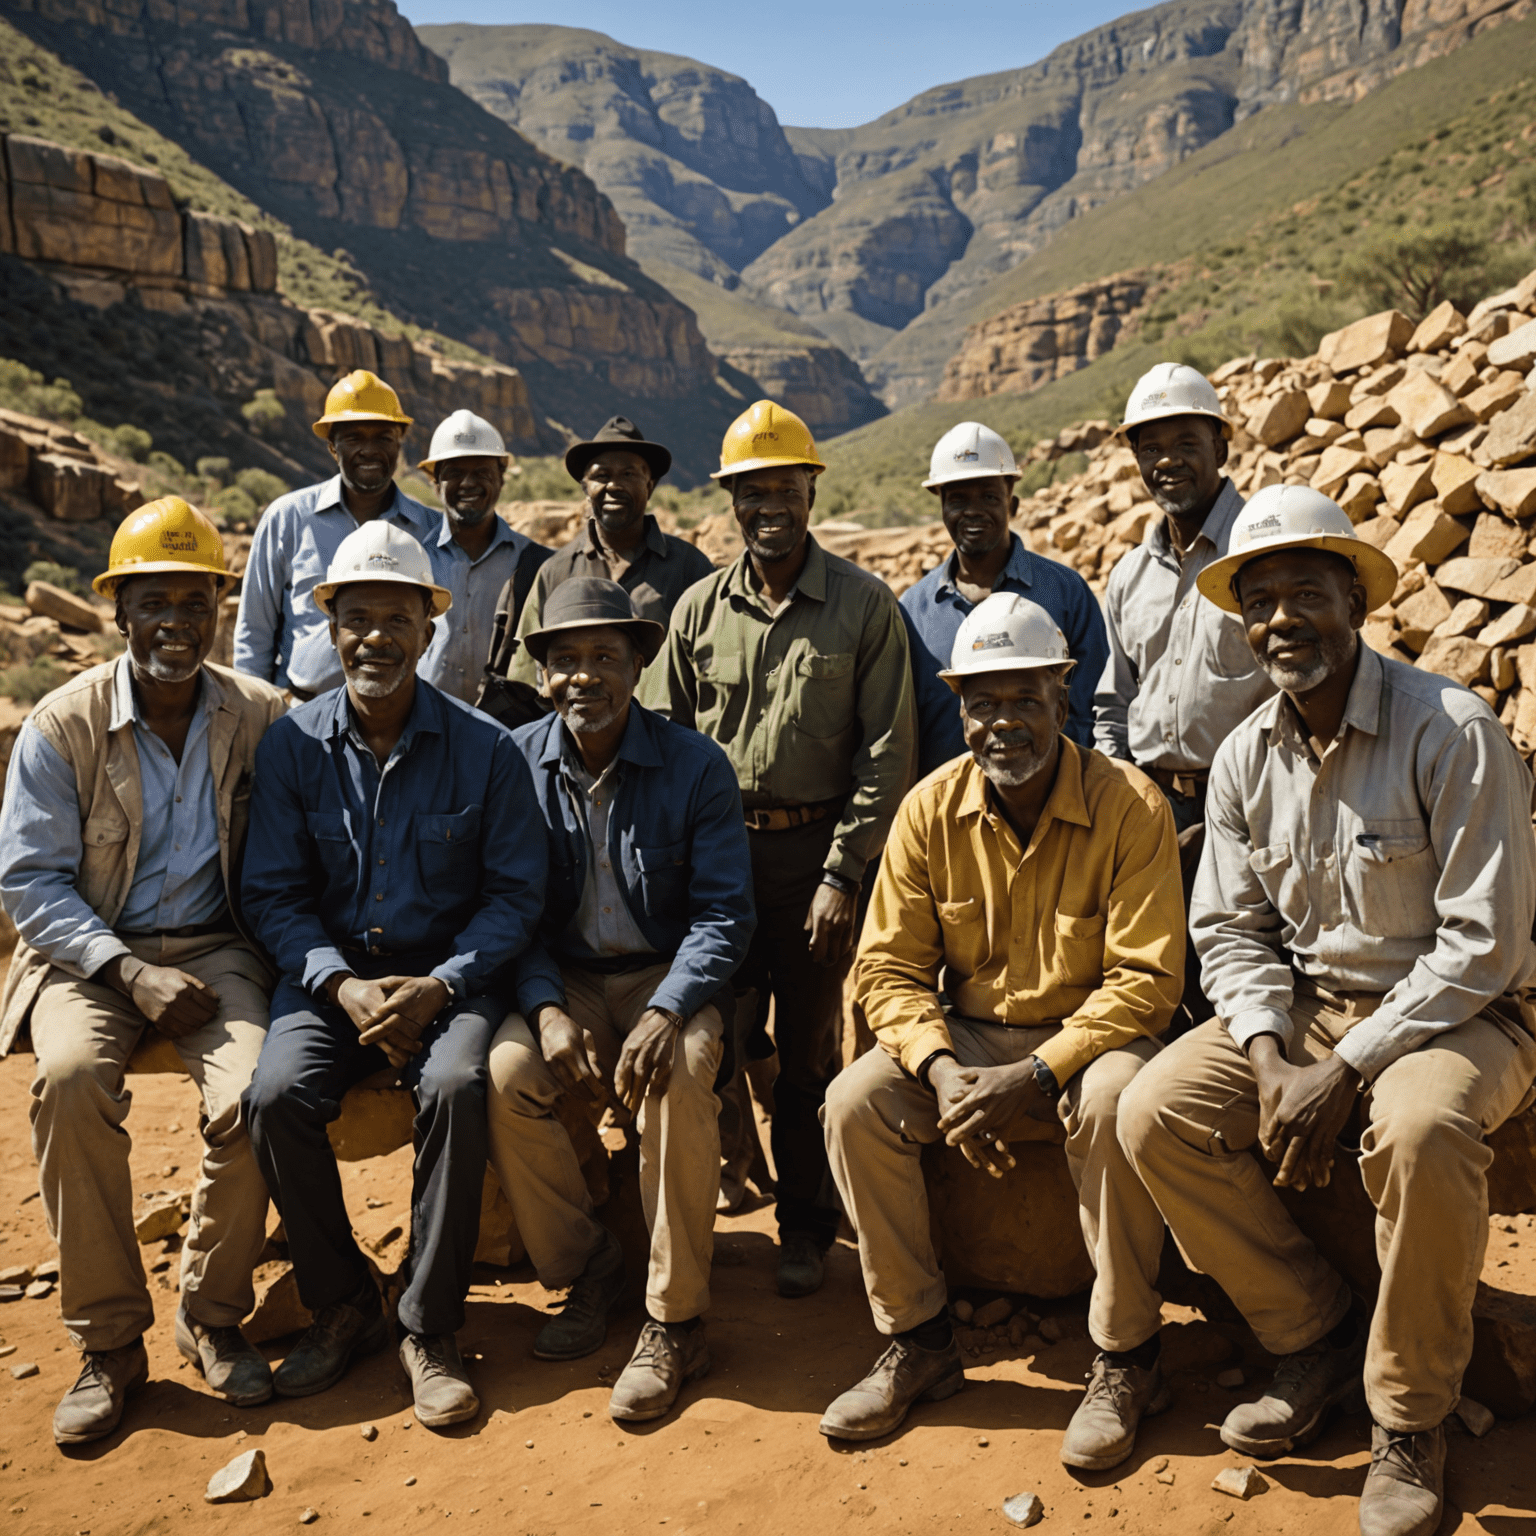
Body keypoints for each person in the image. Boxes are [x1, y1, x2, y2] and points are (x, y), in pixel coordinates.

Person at [1118, 486, 1536, 1536]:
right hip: (1308, 1017)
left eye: (1308, 592)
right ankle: (1309, 1330)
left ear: (1357, 599)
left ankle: (1409, 1417)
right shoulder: (1247, 757)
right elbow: (1230, 931)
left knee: (1422, 1127)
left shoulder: (1453, 730)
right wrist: (1267, 1060)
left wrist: (1343, 1067)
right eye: (1260, 601)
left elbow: (1483, 944)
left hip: (1461, 1016)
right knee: (1153, 1109)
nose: (1282, 620)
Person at [819, 593, 1183, 1454]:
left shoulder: (1131, 806)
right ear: (960, 709)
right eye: (983, 703)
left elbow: (1145, 982)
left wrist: (1035, 1074)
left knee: (1118, 1101)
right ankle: (918, 1341)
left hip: (1092, 1043)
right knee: (855, 1102)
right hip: (971, 1046)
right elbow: (889, 970)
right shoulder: (929, 809)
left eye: (1025, 699)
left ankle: (1128, 1354)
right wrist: (943, 1072)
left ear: (1064, 698)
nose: (1004, 723)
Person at [240, 521, 546, 1428]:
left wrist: (443, 985)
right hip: (330, 983)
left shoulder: (487, 749)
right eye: (356, 617)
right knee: (274, 1095)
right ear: (331, 630)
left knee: (456, 1083)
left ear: (430, 628)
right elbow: (273, 894)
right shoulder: (293, 747)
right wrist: (338, 984)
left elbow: (513, 898)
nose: (374, 637)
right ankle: (342, 1301)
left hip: (447, 980)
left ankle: (428, 1322)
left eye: (396, 618)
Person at [0, 498, 285, 1444]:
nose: (177, 622)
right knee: (71, 1081)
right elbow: (31, 884)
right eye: (153, 601)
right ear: (117, 611)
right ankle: (110, 1344)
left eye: (196, 601)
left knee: (257, 1094)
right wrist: (127, 973)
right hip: (89, 955)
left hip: (219, 947)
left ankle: (210, 1316)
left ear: (219, 610)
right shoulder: (62, 724)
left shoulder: (258, 716)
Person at [662, 399, 916, 1299]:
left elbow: (888, 751)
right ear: (729, 501)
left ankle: (804, 1227)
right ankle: (699, 1212)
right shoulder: (697, 613)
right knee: (711, 1042)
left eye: (782, 489)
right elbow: (664, 742)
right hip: (719, 864)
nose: (767, 507)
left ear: (810, 490)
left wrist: (845, 872)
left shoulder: (863, 606)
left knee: (808, 1054)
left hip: (816, 862)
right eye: (749, 492)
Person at [488, 578, 755, 1423]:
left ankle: (674, 1321)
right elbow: (510, 910)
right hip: (564, 974)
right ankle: (591, 1264)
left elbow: (723, 914)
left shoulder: (695, 764)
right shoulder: (516, 763)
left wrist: (670, 1008)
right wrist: (545, 1008)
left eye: (605, 657)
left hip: (664, 973)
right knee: (505, 1078)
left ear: (639, 663)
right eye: (564, 660)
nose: (584, 678)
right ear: (543, 675)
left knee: (680, 1072)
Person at [1093, 363, 1273, 836]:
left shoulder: (1263, 554)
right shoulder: (1129, 576)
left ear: (1219, 448)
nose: (1167, 462)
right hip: (1151, 811)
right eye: (1151, 448)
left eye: (1186, 445)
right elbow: (1115, 704)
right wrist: (1117, 798)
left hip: (1253, 806)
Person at [900, 422, 1106, 774]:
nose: (973, 511)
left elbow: (1094, 708)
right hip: (953, 815)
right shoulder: (913, 611)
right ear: (942, 506)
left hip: (1057, 803)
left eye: (989, 497)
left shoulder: (1065, 593)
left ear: (1013, 502)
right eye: (958, 500)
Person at [234, 369, 435, 700]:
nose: (368, 450)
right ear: (332, 446)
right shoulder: (288, 518)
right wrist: (256, 716)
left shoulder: (430, 528)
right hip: (300, 714)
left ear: (399, 442)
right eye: (354, 438)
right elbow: (254, 633)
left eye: (383, 437)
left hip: (401, 718)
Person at [501, 416, 713, 710]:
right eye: (602, 476)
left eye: (629, 474)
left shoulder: (690, 568)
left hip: (666, 743)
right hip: (578, 739)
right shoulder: (556, 571)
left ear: (649, 486)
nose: (614, 485)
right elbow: (526, 678)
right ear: (585, 487)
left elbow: (711, 669)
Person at [415, 408, 551, 706]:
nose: (468, 483)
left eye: (481, 472)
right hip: (425, 725)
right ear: (435, 483)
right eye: (454, 473)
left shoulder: (538, 565)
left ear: (501, 479)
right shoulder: (413, 561)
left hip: (508, 732)